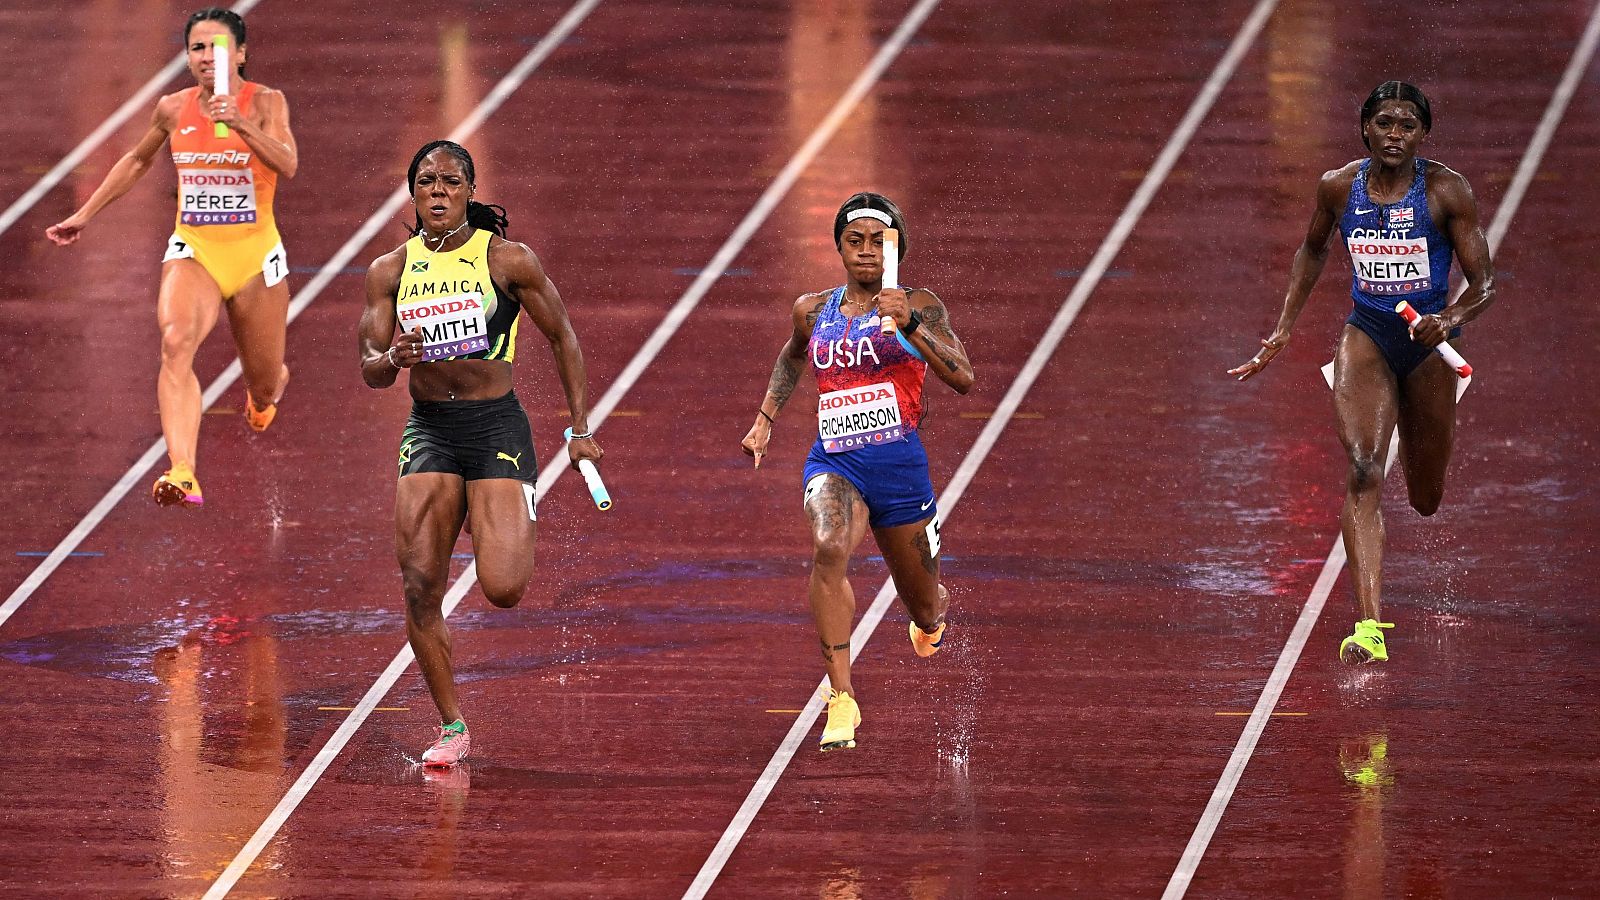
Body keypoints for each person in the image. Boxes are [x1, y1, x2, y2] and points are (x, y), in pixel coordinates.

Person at [1229, 82, 1494, 664]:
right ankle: (1369, 628)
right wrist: (1283, 327)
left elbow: (1485, 284)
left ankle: (1418, 480)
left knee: (1426, 496)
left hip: (1427, 346)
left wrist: (1447, 318)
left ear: (1422, 134)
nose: (1394, 134)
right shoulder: (1338, 187)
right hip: (1367, 334)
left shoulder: (1447, 192)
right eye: (1384, 123)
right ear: (1365, 129)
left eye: (1406, 125)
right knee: (1362, 468)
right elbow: (1313, 250)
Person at [359, 140, 601, 768]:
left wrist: (580, 427)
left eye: (449, 181)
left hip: (495, 426)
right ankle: (451, 726)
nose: (437, 191)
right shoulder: (389, 271)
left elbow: (562, 336)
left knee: (503, 587)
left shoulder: (506, 261)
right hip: (430, 429)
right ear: (412, 193)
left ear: (468, 190)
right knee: (418, 585)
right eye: (426, 182)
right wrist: (392, 359)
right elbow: (370, 368)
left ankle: (499, 507)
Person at [741, 192, 975, 751]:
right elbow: (794, 353)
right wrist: (766, 417)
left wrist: (911, 325)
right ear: (840, 248)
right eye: (856, 241)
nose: (867, 252)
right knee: (828, 546)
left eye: (879, 241)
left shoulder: (919, 302)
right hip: (835, 460)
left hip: (899, 468)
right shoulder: (812, 309)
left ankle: (928, 623)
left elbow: (963, 376)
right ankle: (841, 698)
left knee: (924, 603)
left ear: (897, 247)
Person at [46, 7, 297, 507]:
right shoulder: (172, 108)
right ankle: (183, 469)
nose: (207, 56)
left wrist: (241, 125)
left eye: (218, 47)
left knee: (265, 384)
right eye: (197, 47)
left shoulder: (266, 102)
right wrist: (86, 214)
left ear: (241, 54)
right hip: (196, 248)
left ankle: (267, 390)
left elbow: (287, 163)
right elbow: (139, 158)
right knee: (176, 341)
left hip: (255, 259)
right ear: (187, 57)